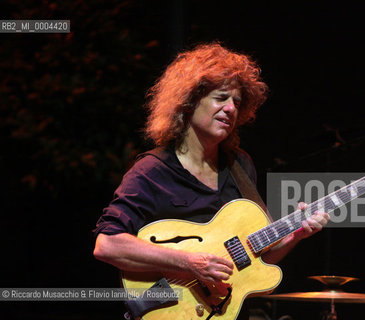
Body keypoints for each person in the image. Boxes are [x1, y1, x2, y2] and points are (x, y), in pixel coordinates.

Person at [93, 42, 330, 318]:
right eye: (221, 98)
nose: (231, 109)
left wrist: (297, 233)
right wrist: (189, 262)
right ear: (189, 101)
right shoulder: (152, 170)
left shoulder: (240, 165)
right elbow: (106, 244)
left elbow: (258, 258)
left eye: (237, 102)